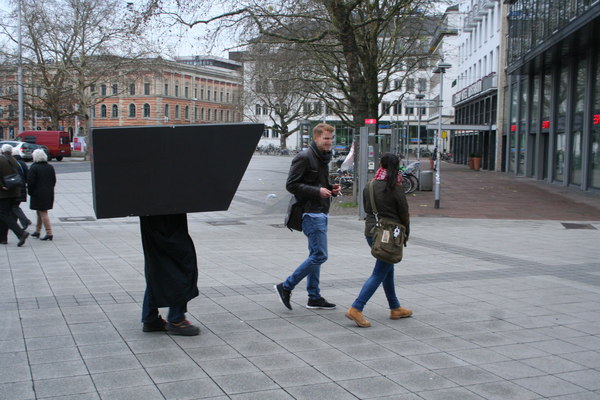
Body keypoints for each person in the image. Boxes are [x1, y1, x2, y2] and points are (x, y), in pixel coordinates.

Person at [275, 123, 340, 310]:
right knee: (320, 255)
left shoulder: (323, 158)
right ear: (316, 138)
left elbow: (320, 184)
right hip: (310, 212)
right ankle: (286, 286)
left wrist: (330, 190)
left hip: (321, 210)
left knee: (315, 254)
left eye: (331, 139)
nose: (329, 143)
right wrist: (317, 191)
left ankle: (314, 296)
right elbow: (291, 185)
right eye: (326, 139)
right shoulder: (304, 157)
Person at [345, 153, 412, 327]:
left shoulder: (370, 184)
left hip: (371, 232)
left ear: (380, 165)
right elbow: (404, 213)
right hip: (389, 235)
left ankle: (395, 307)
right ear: (397, 167)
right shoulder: (395, 187)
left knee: (387, 269)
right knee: (380, 272)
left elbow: (367, 208)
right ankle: (356, 308)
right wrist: (406, 234)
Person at [140, 214, 201, 336]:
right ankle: (176, 320)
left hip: (151, 218)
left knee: (156, 267)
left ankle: (150, 318)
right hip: (168, 218)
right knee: (181, 266)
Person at [0, 144, 29, 246]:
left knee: (3, 214)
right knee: (5, 214)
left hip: (4, 192)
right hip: (15, 190)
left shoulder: (1, 160)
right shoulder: (13, 160)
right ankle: (3, 238)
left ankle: (21, 233)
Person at [28, 148, 56, 241]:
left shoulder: (34, 167)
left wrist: (30, 192)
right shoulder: (50, 167)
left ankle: (49, 233)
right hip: (48, 192)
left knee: (43, 212)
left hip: (38, 193)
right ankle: (37, 230)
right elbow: (53, 180)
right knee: (40, 211)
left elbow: (31, 182)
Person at [12, 147, 32, 230]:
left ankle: (25, 221)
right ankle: (13, 224)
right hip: (23, 187)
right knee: (14, 206)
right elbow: (27, 176)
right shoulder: (22, 163)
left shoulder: (13, 163)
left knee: (14, 206)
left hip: (16, 188)